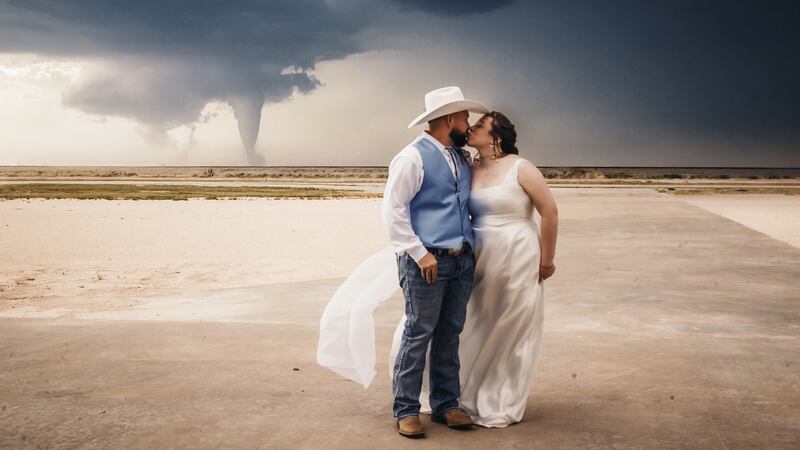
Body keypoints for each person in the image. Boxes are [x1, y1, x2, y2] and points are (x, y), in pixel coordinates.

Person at [388, 109, 559, 428]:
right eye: (468, 120)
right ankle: (408, 409)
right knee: (428, 329)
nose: (471, 127)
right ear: (450, 121)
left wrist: (547, 260)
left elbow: (549, 211)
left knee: (466, 330)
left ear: (495, 136)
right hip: (453, 256)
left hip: (493, 256)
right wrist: (418, 251)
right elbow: (397, 209)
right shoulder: (436, 159)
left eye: (479, 124)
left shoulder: (501, 165)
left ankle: (457, 401)